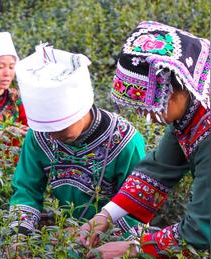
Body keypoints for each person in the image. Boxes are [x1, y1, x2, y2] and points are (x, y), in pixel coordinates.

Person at [79, 21, 210, 259]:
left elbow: (200, 230)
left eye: (150, 104)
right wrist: (106, 215)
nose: (145, 115)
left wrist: (133, 248)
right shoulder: (194, 105)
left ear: (177, 87)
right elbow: (158, 171)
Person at [8, 44, 146, 238]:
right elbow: (26, 188)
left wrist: (90, 234)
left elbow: (136, 205)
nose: (52, 137)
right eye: (46, 129)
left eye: (59, 128)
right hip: (62, 237)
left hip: (108, 243)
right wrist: (20, 235)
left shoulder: (126, 141)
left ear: (80, 110)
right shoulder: (39, 134)